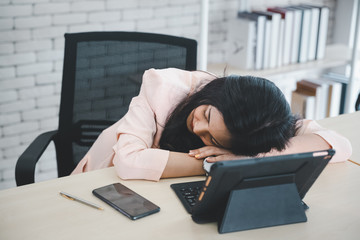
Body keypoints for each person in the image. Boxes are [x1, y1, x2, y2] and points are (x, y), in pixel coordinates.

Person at [72, 68, 352, 180]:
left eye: (213, 141)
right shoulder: (161, 86)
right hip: (99, 179)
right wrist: (221, 164)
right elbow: (129, 162)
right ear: (218, 91)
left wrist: (250, 155)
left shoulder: (261, 123)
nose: (197, 128)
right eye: (206, 115)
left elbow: (340, 146)